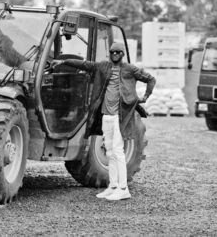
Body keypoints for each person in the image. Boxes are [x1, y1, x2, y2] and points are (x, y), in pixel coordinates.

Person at [53, 42, 156, 201]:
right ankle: (113, 186)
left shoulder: (130, 69)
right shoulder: (103, 67)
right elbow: (85, 65)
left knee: (118, 151)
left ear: (122, 54)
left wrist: (145, 97)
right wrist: (64, 62)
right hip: (106, 116)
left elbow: (150, 79)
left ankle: (123, 189)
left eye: (117, 52)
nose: (114, 54)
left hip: (120, 116)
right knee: (109, 151)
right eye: (112, 52)